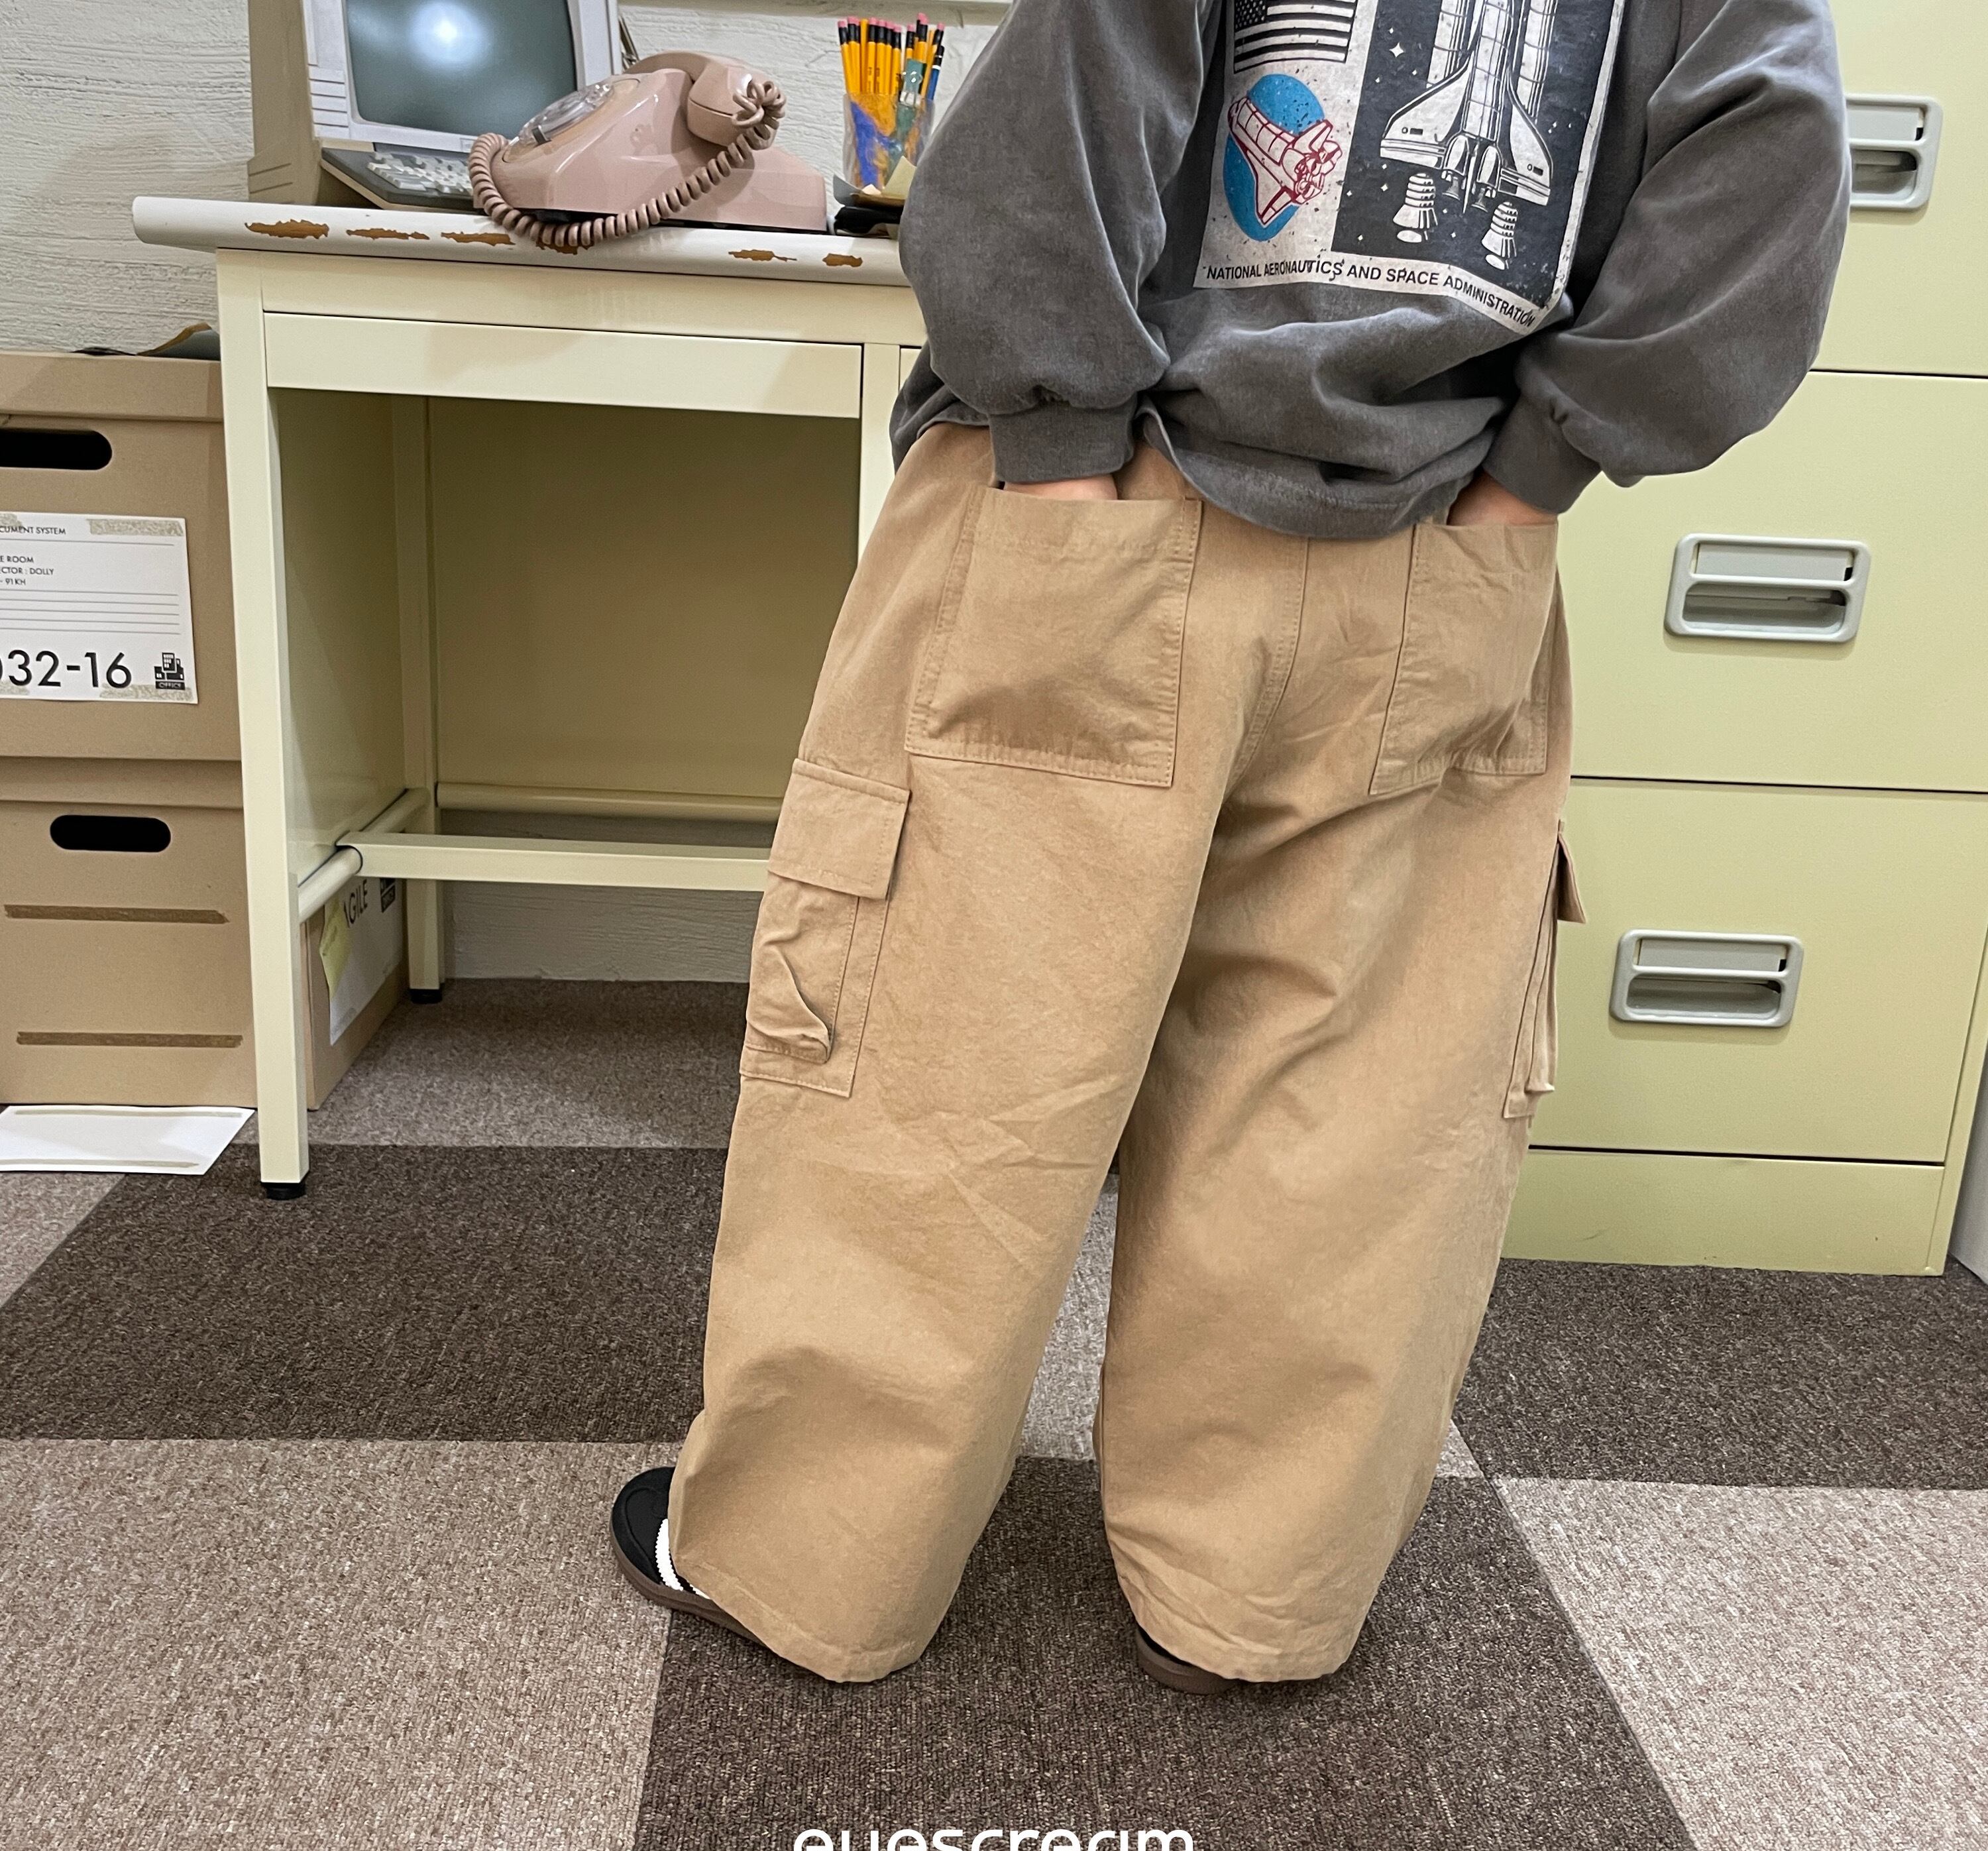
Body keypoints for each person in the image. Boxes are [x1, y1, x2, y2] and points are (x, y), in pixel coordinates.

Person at [612, 0, 1849, 1693]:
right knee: (1351, 1104)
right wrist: (1538, 473)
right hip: (1446, 532)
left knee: (947, 1056)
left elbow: (1075, 86)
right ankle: (1252, 1600)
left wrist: (1057, 446)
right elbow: (1771, 148)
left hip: (1107, 496)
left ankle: (812, 1564)